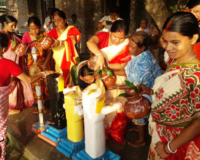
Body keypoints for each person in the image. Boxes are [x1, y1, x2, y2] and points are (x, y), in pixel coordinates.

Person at [138, 12, 200, 159]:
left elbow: (198, 122)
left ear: (194, 39)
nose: (168, 47)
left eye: (175, 42)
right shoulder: (175, 62)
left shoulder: (197, 77)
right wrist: (152, 91)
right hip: (160, 137)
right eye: (165, 41)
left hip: (177, 144)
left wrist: (169, 148)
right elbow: (176, 94)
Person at [0, 32, 54, 160]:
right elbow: (29, 80)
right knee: (1, 128)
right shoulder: (8, 64)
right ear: (4, 49)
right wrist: (43, 74)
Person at [110, 31, 162, 147]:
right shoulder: (136, 54)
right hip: (139, 86)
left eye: (132, 47)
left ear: (142, 48)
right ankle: (139, 126)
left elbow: (136, 87)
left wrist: (116, 86)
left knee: (136, 106)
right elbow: (128, 71)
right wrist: (111, 71)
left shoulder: (145, 62)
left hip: (149, 91)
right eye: (129, 45)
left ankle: (141, 139)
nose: (129, 48)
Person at [87, 20, 131, 144]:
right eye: (115, 36)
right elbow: (90, 42)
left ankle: (117, 132)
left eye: (121, 38)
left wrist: (106, 65)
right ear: (110, 32)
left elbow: (122, 64)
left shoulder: (126, 45)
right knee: (102, 103)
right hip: (102, 77)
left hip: (118, 77)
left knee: (118, 105)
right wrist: (99, 55)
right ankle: (104, 131)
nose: (117, 40)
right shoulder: (103, 36)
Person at [0, 15, 34, 114]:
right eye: (12, 25)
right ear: (5, 24)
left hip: (15, 62)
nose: (14, 28)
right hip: (7, 62)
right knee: (9, 84)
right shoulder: (2, 37)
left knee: (19, 81)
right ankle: (9, 107)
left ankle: (16, 105)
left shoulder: (13, 35)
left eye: (15, 26)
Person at [22, 16, 51, 114]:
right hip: (33, 64)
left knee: (44, 83)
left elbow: (50, 51)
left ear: (40, 26)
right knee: (34, 83)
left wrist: (46, 63)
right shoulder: (26, 36)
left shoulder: (44, 35)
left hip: (44, 63)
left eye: (36, 28)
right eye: (31, 29)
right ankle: (37, 105)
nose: (34, 31)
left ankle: (44, 104)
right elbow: (24, 50)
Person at [48, 10, 81, 87]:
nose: (57, 23)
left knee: (71, 82)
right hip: (58, 62)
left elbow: (72, 40)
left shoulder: (71, 29)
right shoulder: (52, 32)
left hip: (70, 61)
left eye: (59, 20)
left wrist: (60, 43)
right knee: (60, 81)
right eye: (55, 21)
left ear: (65, 20)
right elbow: (48, 45)